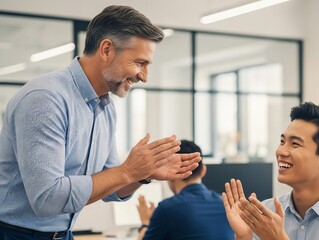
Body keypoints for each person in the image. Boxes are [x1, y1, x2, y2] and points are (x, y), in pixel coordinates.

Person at [0, 5, 201, 240]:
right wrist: (127, 171)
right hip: (14, 234)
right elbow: (47, 199)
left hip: (61, 234)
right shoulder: (46, 99)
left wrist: (142, 175)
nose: (144, 77)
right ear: (106, 50)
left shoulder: (105, 108)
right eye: (139, 63)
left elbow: (110, 186)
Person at [222, 102, 319, 240]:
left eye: (295, 144)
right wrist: (244, 237)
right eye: (282, 141)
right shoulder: (266, 213)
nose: (281, 151)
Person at [137, 140, 234, 240]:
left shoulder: (167, 209)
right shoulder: (227, 206)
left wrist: (145, 223)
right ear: (203, 170)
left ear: (170, 173)